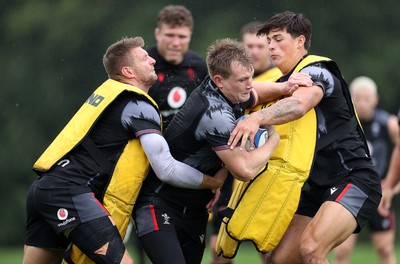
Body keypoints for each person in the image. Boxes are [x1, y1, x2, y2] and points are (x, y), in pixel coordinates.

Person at [23, 36, 227, 264]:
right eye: (143, 57)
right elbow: (166, 169)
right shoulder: (139, 105)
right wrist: (213, 182)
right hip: (70, 192)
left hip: (43, 189)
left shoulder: (109, 94)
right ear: (128, 71)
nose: (152, 60)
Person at [133, 38, 313, 264]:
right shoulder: (215, 113)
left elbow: (254, 91)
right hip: (159, 202)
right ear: (219, 80)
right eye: (242, 80)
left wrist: (284, 87)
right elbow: (244, 169)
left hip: (196, 206)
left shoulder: (229, 91)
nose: (249, 84)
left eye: (250, 76)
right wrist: (273, 140)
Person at [228, 11, 382, 263]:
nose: (271, 47)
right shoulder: (281, 83)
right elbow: (234, 92)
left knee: (311, 249)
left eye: (278, 39)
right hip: (313, 187)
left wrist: (256, 118)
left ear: (300, 41)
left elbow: (300, 104)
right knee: (276, 260)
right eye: (269, 42)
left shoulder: (319, 70)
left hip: (353, 178)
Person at [209, 21, 282, 264]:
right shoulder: (228, 82)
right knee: (219, 250)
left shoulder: (281, 80)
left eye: (260, 46)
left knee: (269, 249)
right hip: (231, 173)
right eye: (249, 45)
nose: (254, 51)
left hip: (268, 173)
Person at [333, 76, 399, 264]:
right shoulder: (342, 124)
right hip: (351, 192)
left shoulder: (390, 124)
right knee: (342, 250)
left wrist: (392, 189)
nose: (361, 103)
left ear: (375, 99)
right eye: (357, 98)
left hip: (380, 193)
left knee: (385, 249)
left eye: (366, 98)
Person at [147, 4, 207, 129]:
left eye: (182, 37)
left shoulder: (199, 66)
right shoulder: (141, 65)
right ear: (157, 34)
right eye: (170, 35)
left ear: (190, 36)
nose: (175, 43)